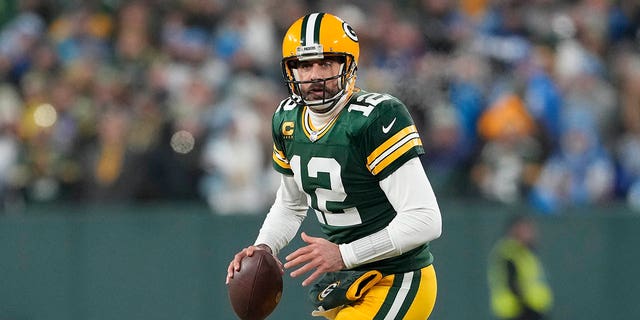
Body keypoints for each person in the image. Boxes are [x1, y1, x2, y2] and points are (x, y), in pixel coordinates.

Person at [226, 12, 442, 320]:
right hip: (346, 281)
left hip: (398, 278)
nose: (314, 75)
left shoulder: (376, 118)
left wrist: (344, 253)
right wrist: (263, 247)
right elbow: (290, 205)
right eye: (304, 65)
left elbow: (425, 220)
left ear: (348, 65)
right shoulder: (286, 119)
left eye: (325, 63)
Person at [487, 215, 553, 320]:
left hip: (531, 310)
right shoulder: (509, 253)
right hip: (517, 311)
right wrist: (527, 307)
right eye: (526, 230)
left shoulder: (526, 252)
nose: (531, 233)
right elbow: (512, 283)